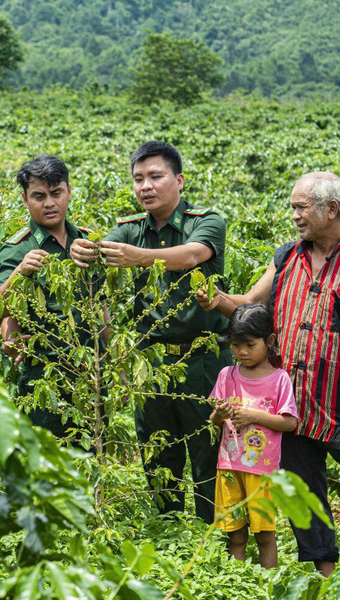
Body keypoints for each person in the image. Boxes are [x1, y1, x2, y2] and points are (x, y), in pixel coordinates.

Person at [197, 171, 340, 576]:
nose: (295, 216)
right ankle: (323, 570)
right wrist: (216, 300)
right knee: (305, 489)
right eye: (294, 207)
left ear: (331, 210)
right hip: (293, 401)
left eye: (301, 207)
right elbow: (248, 305)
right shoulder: (286, 257)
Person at [69, 141, 232, 522]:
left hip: (204, 357)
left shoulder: (206, 221)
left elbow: (192, 255)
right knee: (158, 452)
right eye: (138, 179)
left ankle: (216, 533)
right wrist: (82, 251)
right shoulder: (130, 229)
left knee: (209, 448)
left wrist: (138, 258)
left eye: (155, 177)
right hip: (152, 359)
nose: (146, 186)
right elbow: (101, 251)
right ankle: (167, 526)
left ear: (179, 180)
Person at [0, 154, 93, 439]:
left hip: (89, 373)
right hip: (42, 376)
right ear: (25, 200)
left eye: (56, 193)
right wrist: (20, 272)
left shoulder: (86, 242)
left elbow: (100, 308)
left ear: (69, 192)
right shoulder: (15, 249)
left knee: (89, 461)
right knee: (46, 466)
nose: (49, 203)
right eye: (39, 196)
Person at [209, 303, 297, 569]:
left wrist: (253, 416)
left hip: (262, 471)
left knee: (264, 535)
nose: (241, 352)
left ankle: (267, 583)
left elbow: (290, 422)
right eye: (235, 346)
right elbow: (214, 422)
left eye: (249, 344)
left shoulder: (279, 379)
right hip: (228, 467)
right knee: (234, 533)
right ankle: (238, 581)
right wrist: (219, 415)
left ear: (269, 341)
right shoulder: (227, 375)